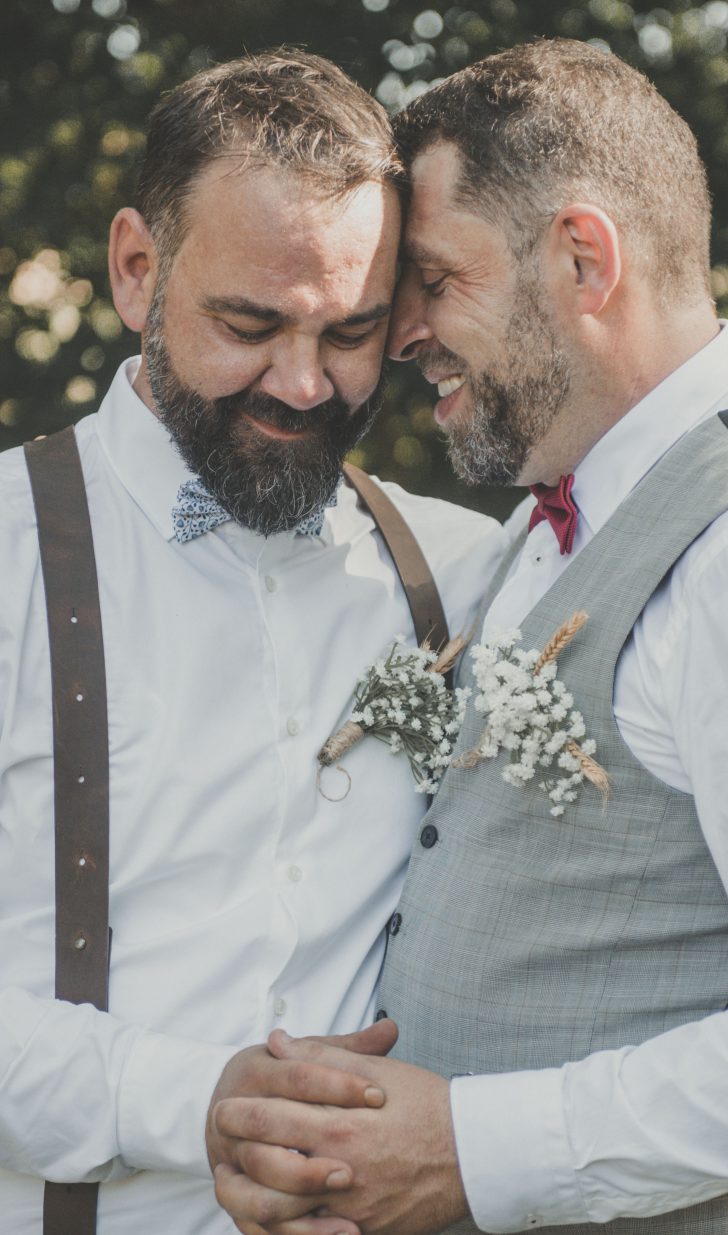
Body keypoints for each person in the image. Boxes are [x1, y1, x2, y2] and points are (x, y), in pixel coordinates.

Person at [208, 39, 728, 1235]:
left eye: (437, 278)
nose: (399, 331)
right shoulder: (545, 517)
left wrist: (472, 1149)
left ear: (583, 260)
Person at [0, 49, 506, 1235]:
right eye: (250, 323)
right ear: (138, 270)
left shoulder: (468, 573)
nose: (305, 384)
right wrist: (194, 1100)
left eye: (352, 331)